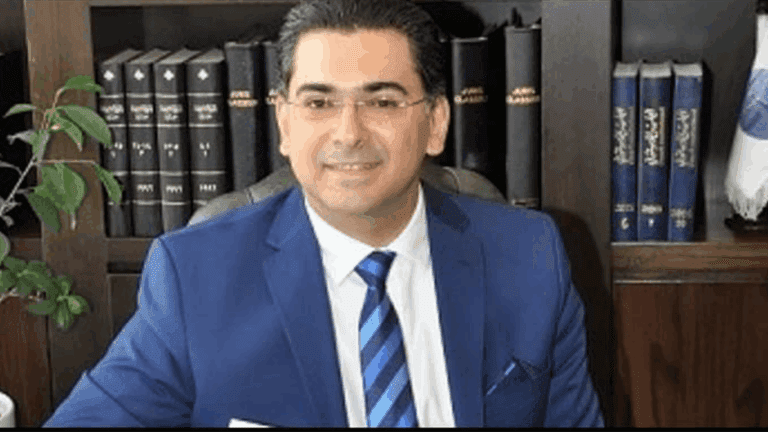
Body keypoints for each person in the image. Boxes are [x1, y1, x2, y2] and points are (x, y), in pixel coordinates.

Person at [44, 0, 604, 427]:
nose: (348, 132)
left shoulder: (530, 256)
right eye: (318, 102)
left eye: (382, 101)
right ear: (285, 124)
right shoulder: (196, 278)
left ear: (435, 122)